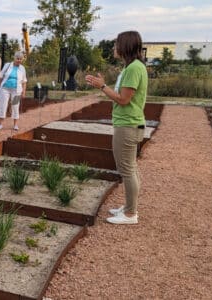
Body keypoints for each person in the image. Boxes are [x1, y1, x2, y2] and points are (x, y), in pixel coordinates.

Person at [85, 31, 148, 225]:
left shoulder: (133, 69)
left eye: (116, 45)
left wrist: (103, 87)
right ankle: (130, 206)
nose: (114, 48)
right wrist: (103, 85)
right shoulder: (132, 67)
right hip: (129, 123)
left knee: (127, 169)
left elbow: (123, 99)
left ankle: (130, 214)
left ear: (125, 46)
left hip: (127, 125)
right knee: (130, 167)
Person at [0, 51, 27, 131]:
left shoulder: (22, 68)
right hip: (5, 88)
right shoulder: (7, 65)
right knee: (3, 105)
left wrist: (24, 92)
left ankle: (15, 124)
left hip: (16, 90)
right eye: (17, 58)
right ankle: (1, 124)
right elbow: (1, 76)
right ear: (14, 58)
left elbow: (24, 81)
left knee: (15, 106)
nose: (19, 60)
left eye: (20, 59)